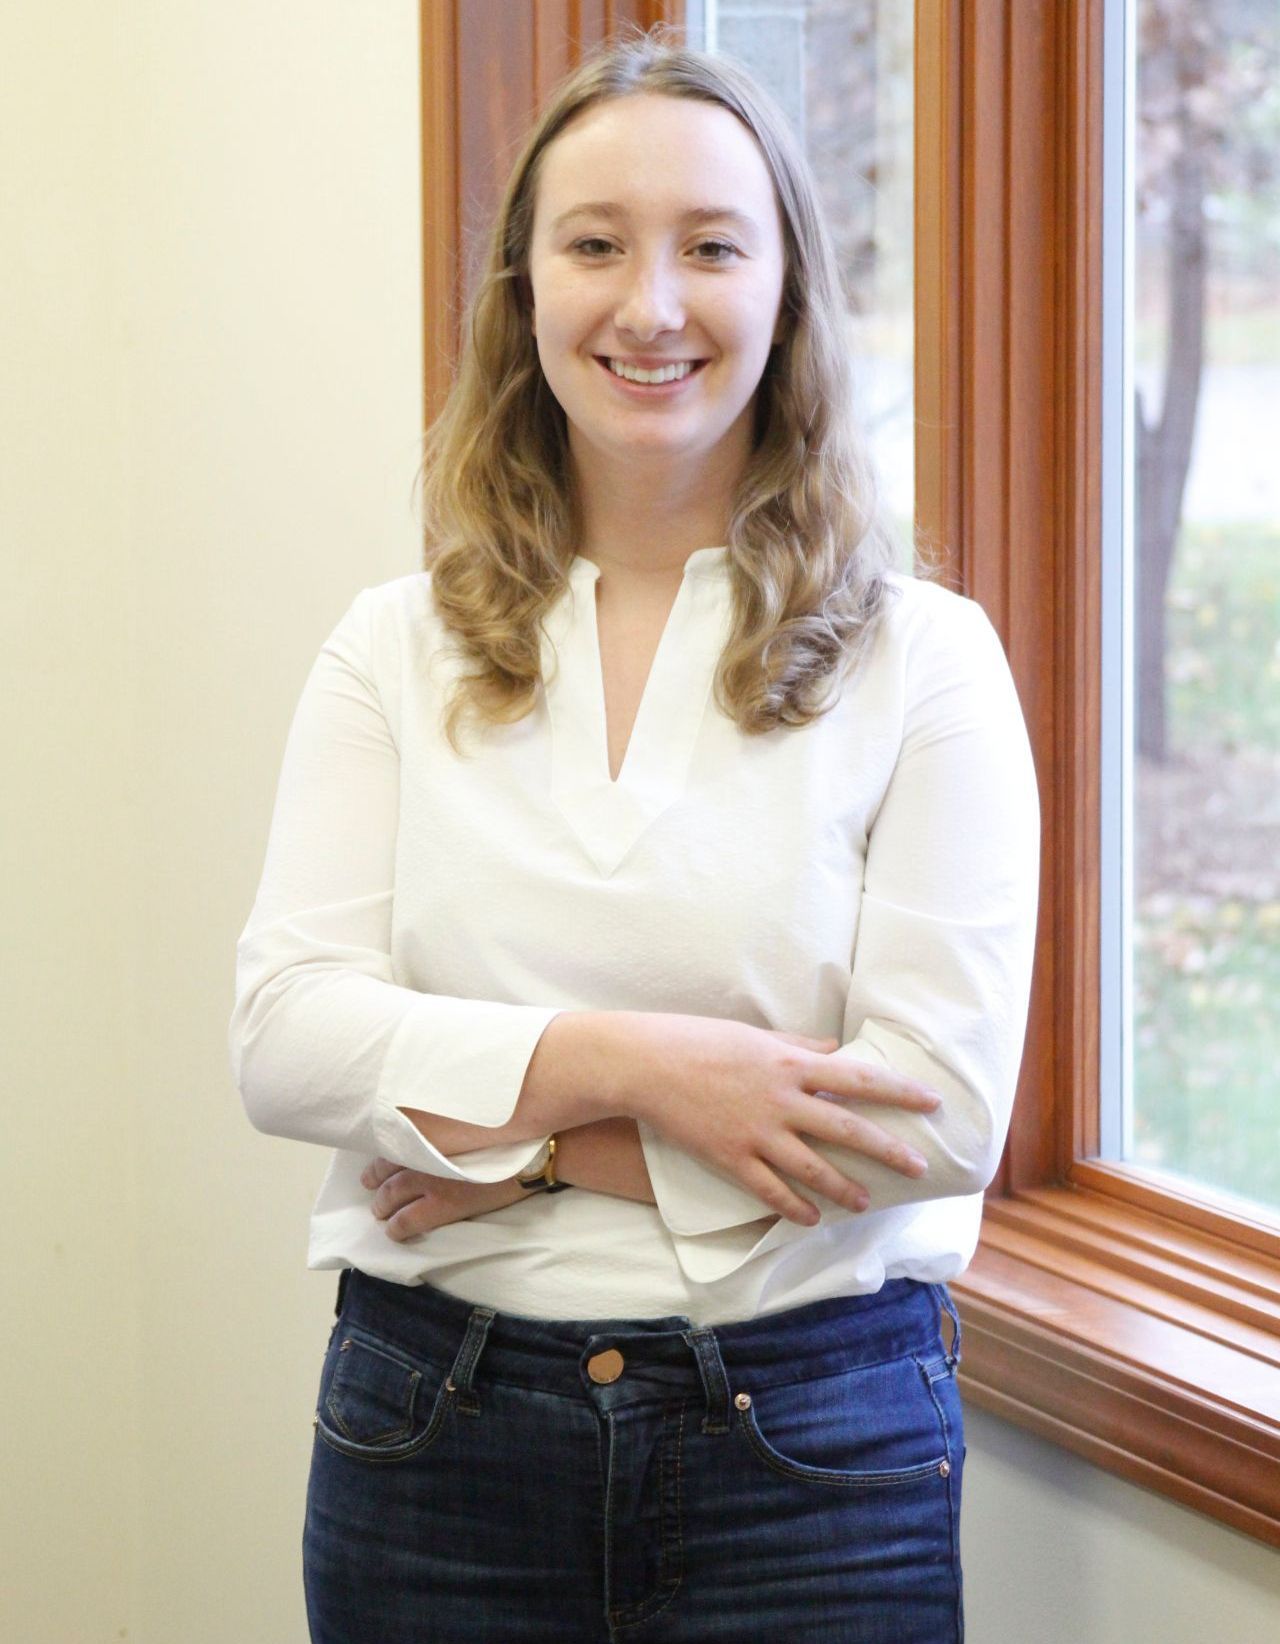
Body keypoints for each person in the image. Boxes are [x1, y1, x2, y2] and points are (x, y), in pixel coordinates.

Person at [229, 31, 1039, 1644]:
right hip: (434, 1441)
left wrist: (520, 1148)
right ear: (523, 290)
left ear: (790, 289)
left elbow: (933, 1122)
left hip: (814, 1456)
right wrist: (659, 1073)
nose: (652, 305)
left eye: (712, 247)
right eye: (594, 244)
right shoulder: (393, 646)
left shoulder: (923, 656)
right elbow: (285, 1043)